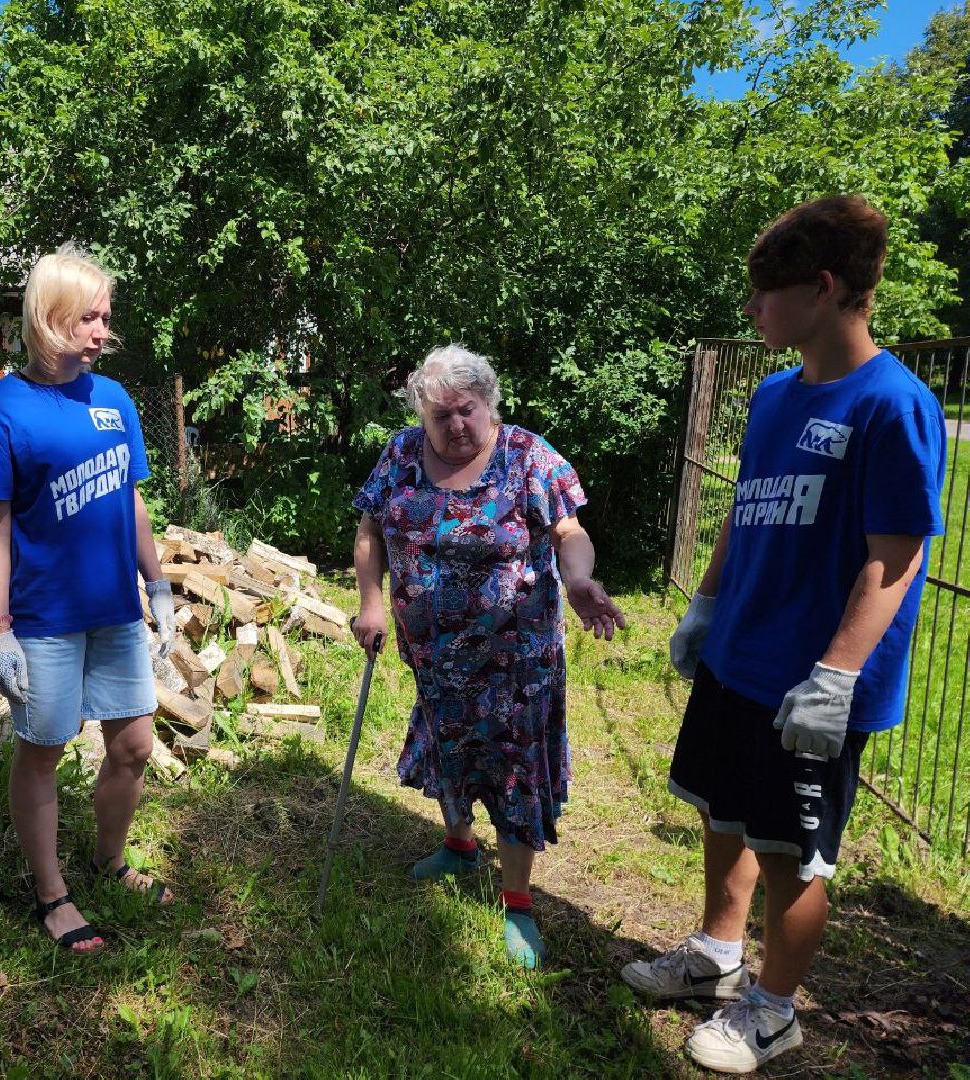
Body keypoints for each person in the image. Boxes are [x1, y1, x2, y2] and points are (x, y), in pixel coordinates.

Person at [620, 195, 947, 1074]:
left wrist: (836, 675)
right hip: (741, 655)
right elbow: (743, 508)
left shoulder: (893, 404)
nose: (755, 311)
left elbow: (898, 554)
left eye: (768, 293)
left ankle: (774, 1009)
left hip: (810, 678)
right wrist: (707, 604)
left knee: (792, 855)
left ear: (826, 287)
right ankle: (717, 957)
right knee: (723, 814)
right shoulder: (771, 396)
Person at [352, 344, 625, 968]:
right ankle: (459, 843)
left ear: (489, 404)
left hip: (515, 664)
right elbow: (370, 529)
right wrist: (371, 604)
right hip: (434, 657)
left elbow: (568, 531)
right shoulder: (398, 455)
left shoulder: (528, 458)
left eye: (466, 411)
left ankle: (519, 901)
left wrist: (579, 580)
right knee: (448, 748)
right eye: (439, 416)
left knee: (513, 770)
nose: (454, 426)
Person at [0, 243, 175, 953]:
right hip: (45, 620)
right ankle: (52, 893)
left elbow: (133, 501)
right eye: (88, 317)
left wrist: (159, 583)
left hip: (115, 609)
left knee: (135, 746)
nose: (101, 331)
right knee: (44, 751)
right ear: (48, 316)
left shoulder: (113, 399)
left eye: (105, 317)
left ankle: (109, 861)